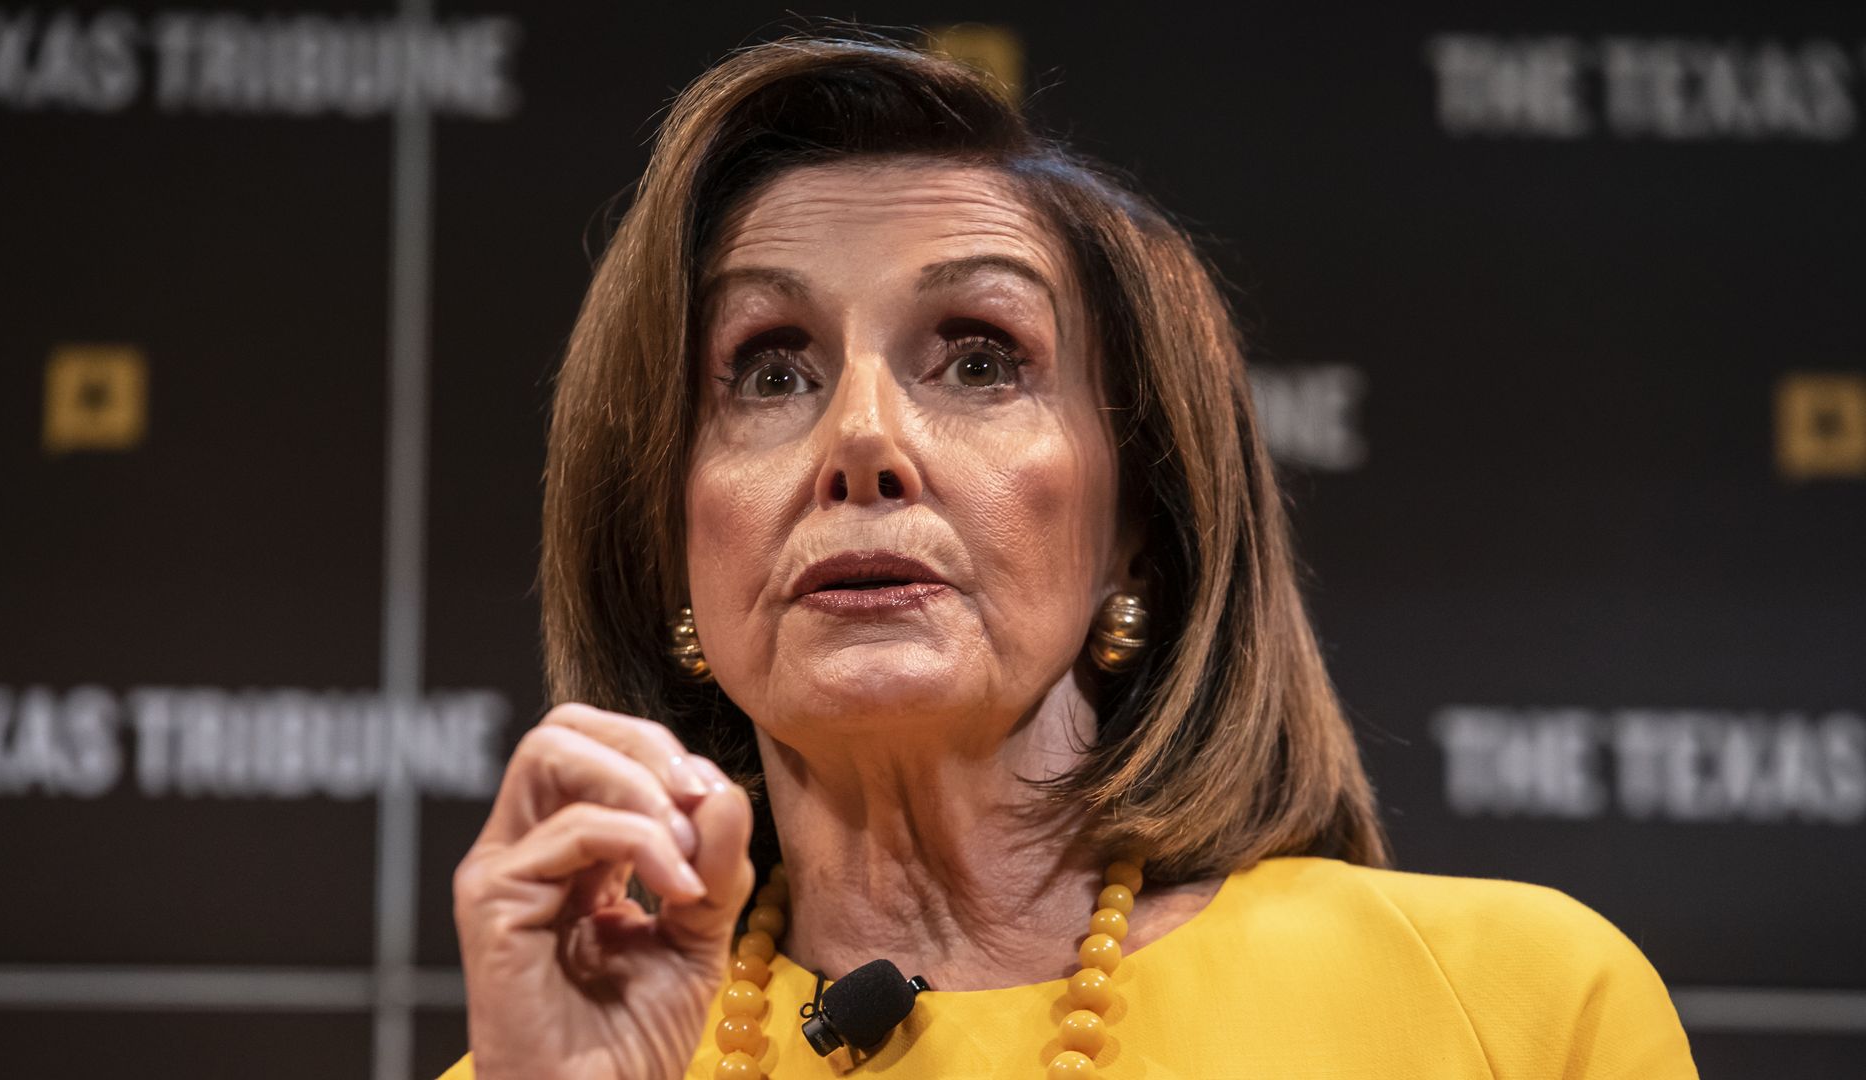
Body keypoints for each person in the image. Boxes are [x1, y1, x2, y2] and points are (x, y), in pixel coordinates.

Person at [435, 33, 1697, 1080]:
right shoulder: (551, 1069)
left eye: (980, 360)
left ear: (1138, 523)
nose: (861, 439)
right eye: (771, 372)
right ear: (667, 543)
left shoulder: (1516, 1011)